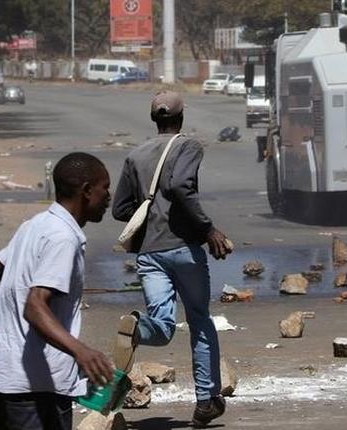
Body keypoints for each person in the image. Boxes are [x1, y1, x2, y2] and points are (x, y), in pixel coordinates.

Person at [112, 90, 232, 428]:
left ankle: (138, 327)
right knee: (199, 320)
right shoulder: (188, 146)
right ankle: (206, 401)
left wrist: (150, 216)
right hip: (184, 250)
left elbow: (120, 208)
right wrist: (208, 230)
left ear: (154, 120)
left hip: (150, 254)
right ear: (181, 117)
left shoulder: (135, 156)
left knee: (162, 326)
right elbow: (181, 186)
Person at [0, 152, 115, 430]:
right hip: (38, 389)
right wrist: (80, 351)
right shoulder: (63, 238)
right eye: (104, 187)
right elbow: (35, 306)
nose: (108, 196)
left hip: (5, 381)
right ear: (86, 191)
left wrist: (6, 332)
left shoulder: (33, 226)